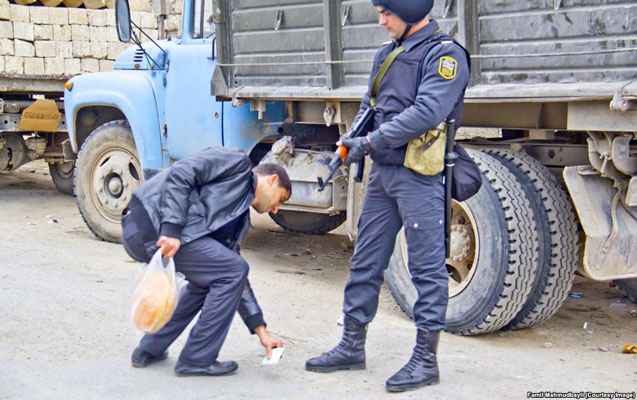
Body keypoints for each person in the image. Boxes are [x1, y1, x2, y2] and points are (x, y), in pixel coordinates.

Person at [305, 0, 470, 393]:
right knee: (365, 261)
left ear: (411, 10)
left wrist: (371, 141)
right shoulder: (387, 53)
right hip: (383, 173)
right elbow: (371, 106)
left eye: (386, 13)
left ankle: (425, 361)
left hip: (420, 174)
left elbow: (428, 112)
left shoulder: (445, 55)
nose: (381, 21)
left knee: (427, 271)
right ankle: (351, 345)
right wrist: (351, 143)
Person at [121, 146, 292, 377]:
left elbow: (236, 282)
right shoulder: (237, 163)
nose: (275, 208)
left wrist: (261, 330)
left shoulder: (238, 219)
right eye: (280, 199)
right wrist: (171, 229)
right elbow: (181, 173)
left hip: (162, 233)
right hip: (150, 225)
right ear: (272, 180)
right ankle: (197, 359)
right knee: (232, 270)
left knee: (214, 278)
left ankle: (150, 348)